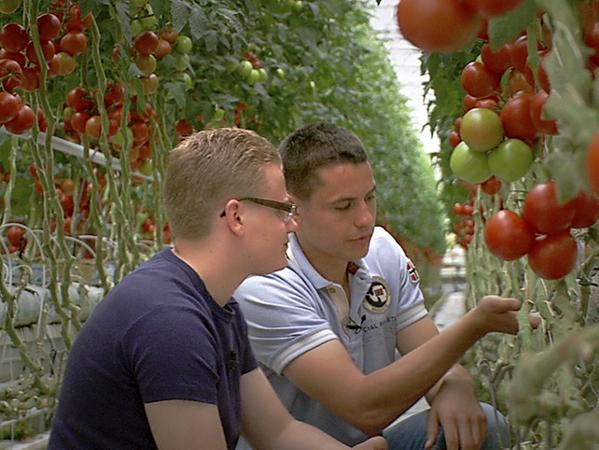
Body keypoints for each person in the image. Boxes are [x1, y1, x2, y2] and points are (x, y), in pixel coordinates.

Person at [48, 128, 387, 450]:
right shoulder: (170, 322)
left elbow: (278, 432)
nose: (293, 222)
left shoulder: (218, 306)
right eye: (283, 209)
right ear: (236, 217)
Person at [234, 122, 539, 450]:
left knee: (482, 423)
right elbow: (364, 409)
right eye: (344, 206)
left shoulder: (381, 250)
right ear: (294, 211)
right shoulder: (266, 284)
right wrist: (474, 325)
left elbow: (431, 357)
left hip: (374, 446)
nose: (365, 218)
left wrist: (453, 383)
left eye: (369, 198)